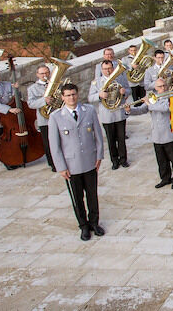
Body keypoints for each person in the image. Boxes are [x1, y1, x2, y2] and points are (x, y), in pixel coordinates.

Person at [48, 83, 104, 241]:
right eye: (67, 95)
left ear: (77, 94)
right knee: (77, 198)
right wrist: (61, 167)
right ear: (62, 97)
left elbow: (98, 136)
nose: (71, 98)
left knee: (92, 195)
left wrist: (99, 156)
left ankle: (94, 223)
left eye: (73, 94)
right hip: (71, 165)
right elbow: (55, 146)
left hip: (89, 161)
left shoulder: (89, 111)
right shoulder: (56, 117)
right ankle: (83, 226)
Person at [127, 77, 173, 188]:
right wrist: (129, 110)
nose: (162, 88)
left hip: (170, 134)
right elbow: (141, 110)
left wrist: (149, 103)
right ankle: (165, 178)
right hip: (157, 135)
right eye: (159, 86)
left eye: (164, 86)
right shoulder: (153, 98)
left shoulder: (171, 96)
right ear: (155, 88)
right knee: (161, 160)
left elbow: (165, 108)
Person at [88, 60, 132, 169]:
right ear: (101, 70)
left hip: (119, 113)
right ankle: (114, 161)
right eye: (105, 69)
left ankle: (123, 159)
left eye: (109, 68)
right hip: (107, 115)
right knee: (111, 139)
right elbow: (90, 98)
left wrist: (124, 91)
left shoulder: (120, 78)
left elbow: (129, 90)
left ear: (113, 68)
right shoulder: (96, 82)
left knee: (121, 139)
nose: (108, 71)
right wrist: (99, 95)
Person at [27, 64, 56, 171]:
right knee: (48, 143)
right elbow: (31, 104)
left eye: (47, 73)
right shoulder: (32, 88)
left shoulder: (55, 85)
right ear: (37, 75)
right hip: (44, 120)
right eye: (42, 73)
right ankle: (53, 164)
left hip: (57, 116)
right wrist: (44, 100)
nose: (45, 75)